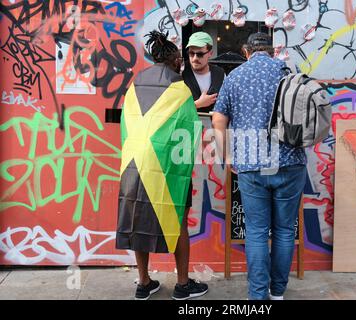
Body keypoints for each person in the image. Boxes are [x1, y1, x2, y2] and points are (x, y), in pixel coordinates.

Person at [212, 32, 307, 300]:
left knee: (255, 231)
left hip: (251, 165)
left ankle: (257, 296)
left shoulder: (235, 77)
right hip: (290, 162)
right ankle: (277, 292)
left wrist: (227, 156)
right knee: (285, 230)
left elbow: (218, 120)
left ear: (246, 52)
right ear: (273, 51)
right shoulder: (288, 72)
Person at [116, 30, 208, 300]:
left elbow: (126, 124)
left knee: (136, 219)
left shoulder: (136, 84)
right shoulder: (179, 88)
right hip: (167, 167)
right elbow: (190, 132)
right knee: (177, 219)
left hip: (133, 163)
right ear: (175, 60)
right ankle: (182, 285)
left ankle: (144, 283)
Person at [182, 31, 226, 113]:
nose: (195, 58)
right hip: (185, 124)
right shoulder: (181, 71)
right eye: (191, 53)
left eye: (200, 54)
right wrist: (198, 104)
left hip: (212, 124)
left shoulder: (219, 74)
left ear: (210, 54)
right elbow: (171, 108)